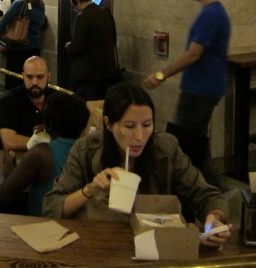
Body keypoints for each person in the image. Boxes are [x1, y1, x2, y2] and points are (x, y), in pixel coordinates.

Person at [42, 84, 231, 250]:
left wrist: (214, 219)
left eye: (147, 125)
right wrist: (90, 189)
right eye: (130, 126)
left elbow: (207, 196)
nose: (140, 136)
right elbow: (52, 207)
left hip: (157, 248)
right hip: (99, 249)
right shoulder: (85, 150)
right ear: (108, 123)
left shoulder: (165, 148)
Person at [143, 0, 231, 172]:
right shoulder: (218, 13)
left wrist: (160, 75)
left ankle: (185, 184)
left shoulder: (209, 16)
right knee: (195, 137)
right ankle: (200, 180)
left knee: (183, 141)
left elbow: (193, 54)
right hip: (208, 86)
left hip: (200, 87)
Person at [0, 92, 89, 216]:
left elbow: (1, 197)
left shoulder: (41, 153)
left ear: (48, 124)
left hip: (44, 227)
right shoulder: (88, 150)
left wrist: (6, 169)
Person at [0, 0, 46, 91]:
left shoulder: (19, 3)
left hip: (18, 49)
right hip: (34, 48)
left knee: (15, 83)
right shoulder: (41, 5)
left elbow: (5, 19)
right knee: (31, 83)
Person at [65, 0, 119, 101]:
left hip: (87, 73)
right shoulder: (106, 13)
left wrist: (68, 46)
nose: (75, 10)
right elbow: (113, 38)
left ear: (78, 2)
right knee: (99, 104)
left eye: (74, 6)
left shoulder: (83, 17)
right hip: (106, 70)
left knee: (84, 104)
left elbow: (77, 46)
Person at [0, 56, 54, 151]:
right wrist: (46, 142)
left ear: (49, 76)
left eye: (40, 77)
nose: (34, 82)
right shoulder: (9, 101)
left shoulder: (58, 100)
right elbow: (9, 141)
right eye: (29, 77)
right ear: (23, 76)